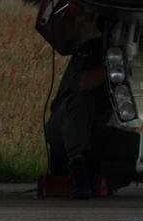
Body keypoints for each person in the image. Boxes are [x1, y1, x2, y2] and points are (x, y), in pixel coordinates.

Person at [45, 36, 112, 199]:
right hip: (68, 131)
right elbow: (82, 83)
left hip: (104, 135)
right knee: (81, 102)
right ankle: (78, 166)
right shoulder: (91, 49)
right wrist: (115, 69)